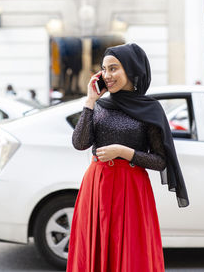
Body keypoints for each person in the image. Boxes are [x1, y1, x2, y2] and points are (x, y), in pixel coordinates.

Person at [66, 43, 189, 272]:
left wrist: (124, 152)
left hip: (130, 188)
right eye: (104, 69)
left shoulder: (150, 109)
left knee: (131, 252)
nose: (107, 75)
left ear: (132, 70)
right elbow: (80, 143)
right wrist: (90, 101)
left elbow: (161, 161)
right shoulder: (100, 105)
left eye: (114, 68)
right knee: (94, 248)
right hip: (97, 186)